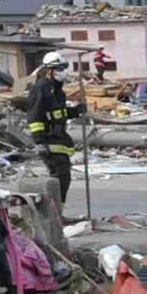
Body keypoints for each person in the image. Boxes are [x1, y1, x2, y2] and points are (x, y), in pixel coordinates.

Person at [27, 51, 85, 207]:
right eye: (59, 69)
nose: (62, 72)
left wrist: (76, 110)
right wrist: (39, 141)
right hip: (48, 139)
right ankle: (54, 214)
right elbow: (35, 117)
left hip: (59, 138)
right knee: (59, 177)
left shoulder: (57, 89)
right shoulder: (40, 89)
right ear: (48, 70)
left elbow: (59, 114)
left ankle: (58, 213)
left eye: (63, 68)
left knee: (64, 178)